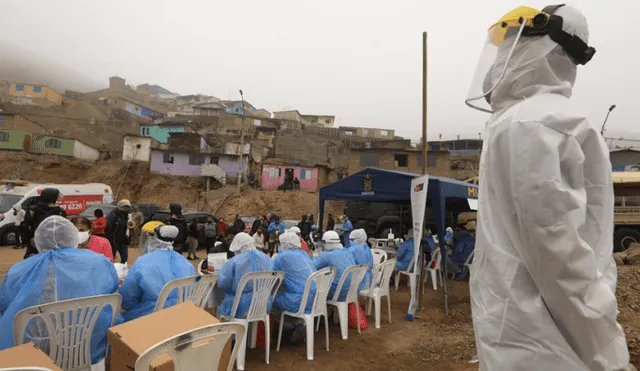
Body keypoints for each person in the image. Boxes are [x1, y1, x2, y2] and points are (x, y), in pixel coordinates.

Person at [465, 5, 630, 370]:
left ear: (541, 48)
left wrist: (602, 352)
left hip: (538, 343)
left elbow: (558, 250)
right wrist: (606, 352)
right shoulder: (536, 121)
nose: (503, 55)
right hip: (543, 342)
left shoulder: (536, 123)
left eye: (513, 42)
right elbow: (560, 254)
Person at [0, 216, 121, 365]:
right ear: (72, 236)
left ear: (38, 239)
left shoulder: (18, 271)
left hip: (33, 355)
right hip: (88, 352)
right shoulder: (98, 262)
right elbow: (113, 291)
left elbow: (5, 307)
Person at [119, 225, 195, 322]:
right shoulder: (186, 263)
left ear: (153, 239)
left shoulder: (142, 262)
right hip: (184, 315)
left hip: (151, 318)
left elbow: (126, 299)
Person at [271, 232, 317, 344]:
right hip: (315, 299)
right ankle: (298, 322)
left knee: (268, 302)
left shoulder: (282, 257)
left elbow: (269, 273)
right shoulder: (304, 254)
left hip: (298, 300)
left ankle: (292, 324)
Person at [217, 233, 271, 318]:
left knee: (223, 303)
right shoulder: (266, 258)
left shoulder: (234, 261)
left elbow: (222, 284)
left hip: (240, 306)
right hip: (263, 304)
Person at [22, 188, 66, 259]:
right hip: (52, 240)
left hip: (36, 239)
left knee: (34, 258)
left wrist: (26, 240)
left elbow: (26, 225)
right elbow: (64, 227)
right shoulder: (59, 210)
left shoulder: (33, 209)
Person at [313, 231, 356, 301]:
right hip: (350, 291)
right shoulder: (348, 252)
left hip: (336, 293)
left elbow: (311, 265)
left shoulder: (327, 255)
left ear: (326, 243)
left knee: (313, 288)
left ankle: (321, 310)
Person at [106, 199, 131, 264]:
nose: (125, 209)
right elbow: (109, 225)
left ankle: (122, 270)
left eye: (127, 207)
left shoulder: (127, 215)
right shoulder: (114, 214)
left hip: (123, 241)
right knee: (111, 258)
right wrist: (111, 239)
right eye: (124, 207)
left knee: (125, 258)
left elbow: (129, 227)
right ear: (120, 206)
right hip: (114, 241)